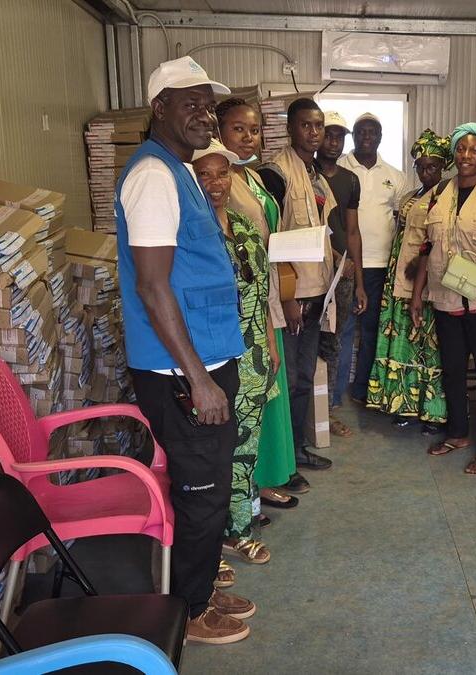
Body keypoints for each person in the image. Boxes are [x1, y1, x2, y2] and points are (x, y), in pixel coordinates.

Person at [115, 56, 255, 644]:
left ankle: (198, 584)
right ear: (159, 109)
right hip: (181, 371)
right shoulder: (153, 176)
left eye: (208, 104)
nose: (205, 115)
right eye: (189, 103)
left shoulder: (181, 170)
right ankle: (190, 611)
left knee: (211, 484)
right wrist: (197, 380)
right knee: (201, 491)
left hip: (205, 357)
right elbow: (152, 285)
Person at [407, 123, 476, 475]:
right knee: (453, 371)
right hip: (446, 299)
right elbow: (427, 245)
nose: (466, 156)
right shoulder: (441, 191)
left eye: (475, 150)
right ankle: (457, 433)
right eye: (461, 149)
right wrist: (417, 295)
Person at [215, 97, 305, 507]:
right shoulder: (217, 181)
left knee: (271, 389)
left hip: (267, 293)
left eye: (254, 130)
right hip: (243, 303)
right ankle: (247, 489)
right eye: (238, 129)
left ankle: (265, 477)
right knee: (252, 394)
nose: (248, 137)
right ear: (218, 132)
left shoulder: (252, 177)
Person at [192, 140, 277, 566]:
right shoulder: (191, 235)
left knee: (246, 448)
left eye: (221, 173)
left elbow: (262, 292)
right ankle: (209, 546)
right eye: (203, 174)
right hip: (215, 362)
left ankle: (240, 529)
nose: (214, 183)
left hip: (256, 358)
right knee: (212, 453)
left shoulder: (244, 227)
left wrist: (272, 345)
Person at [258, 98, 336, 473]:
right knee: (288, 380)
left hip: (317, 289)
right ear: (290, 128)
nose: (313, 132)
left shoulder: (317, 172)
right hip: (294, 294)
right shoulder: (276, 172)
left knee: (304, 376)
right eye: (306, 125)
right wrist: (287, 299)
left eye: (318, 125)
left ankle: (299, 450)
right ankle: (284, 459)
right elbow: (272, 239)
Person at [367, 129, 450, 431]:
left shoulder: (446, 197)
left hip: (424, 283)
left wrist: (420, 282)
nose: (426, 172)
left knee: (427, 345)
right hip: (397, 278)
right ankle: (403, 402)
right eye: (421, 166)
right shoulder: (411, 196)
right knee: (401, 341)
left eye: (433, 166)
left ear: (443, 166)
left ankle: (432, 411)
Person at [337, 113, 408, 406]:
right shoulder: (339, 168)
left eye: (373, 132)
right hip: (346, 264)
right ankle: (334, 393)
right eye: (361, 132)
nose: (367, 137)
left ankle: (362, 389)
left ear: (380, 137)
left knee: (371, 330)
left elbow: (401, 216)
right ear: (353, 136)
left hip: (380, 266)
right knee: (343, 329)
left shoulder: (395, 175)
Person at [315, 111, 367, 437]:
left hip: (343, 277)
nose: (333, 143)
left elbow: (353, 231)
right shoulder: (308, 174)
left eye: (339, 137)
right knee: (311, 341)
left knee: (337, 340)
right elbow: (307, 227)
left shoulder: (350, 180)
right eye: (328, 135)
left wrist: (359, 281)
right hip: (314, 271)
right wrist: (334, 256)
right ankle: (311, 410)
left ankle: (330, 409)